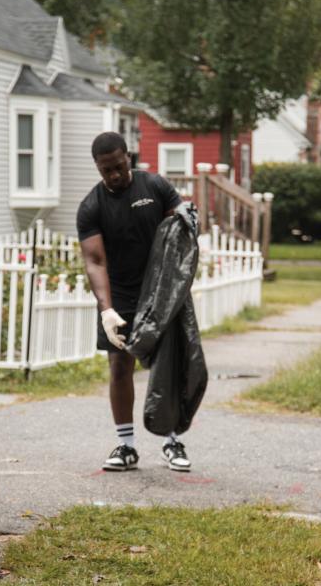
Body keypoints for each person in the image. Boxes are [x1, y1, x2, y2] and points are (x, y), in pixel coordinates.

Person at [77, 131, 192, 472]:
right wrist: (107, 310)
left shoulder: (155, 186)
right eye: (105, 170)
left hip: (160, 291)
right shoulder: (91, 206)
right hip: (122, 295)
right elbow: (95, 261)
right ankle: (126, 446)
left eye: (118, 166)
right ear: (97, 167)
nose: (114, 175)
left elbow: (181, 227)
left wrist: (190, 219)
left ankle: (172, 440)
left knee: (166, 367)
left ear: (128, 157)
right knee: (119, 367)